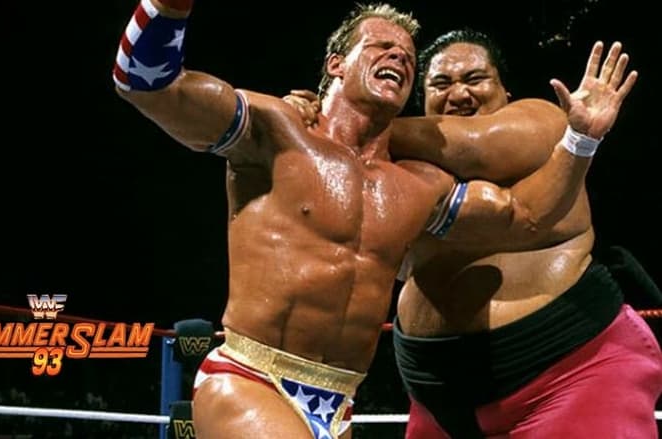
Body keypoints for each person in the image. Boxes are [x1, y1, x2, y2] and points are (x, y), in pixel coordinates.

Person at [111, 2, 635, 437]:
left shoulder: (418, 184)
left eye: (406, 55)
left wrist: (581, 137)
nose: (398, 56)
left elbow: (525, 218)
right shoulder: (276, 131)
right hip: (252, 377)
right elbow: (148, 86)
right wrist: (167, 7)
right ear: (336, 63)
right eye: (381, 46)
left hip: (337, 400)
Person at [392, 30, 661, 438]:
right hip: (434, 394)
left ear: (505, 92)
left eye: (475, 79)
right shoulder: (401, 169)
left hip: (568, 374)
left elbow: (476, 146)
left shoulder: (545, 122)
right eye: (441, 84)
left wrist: (344, 125)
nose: (459, 93)